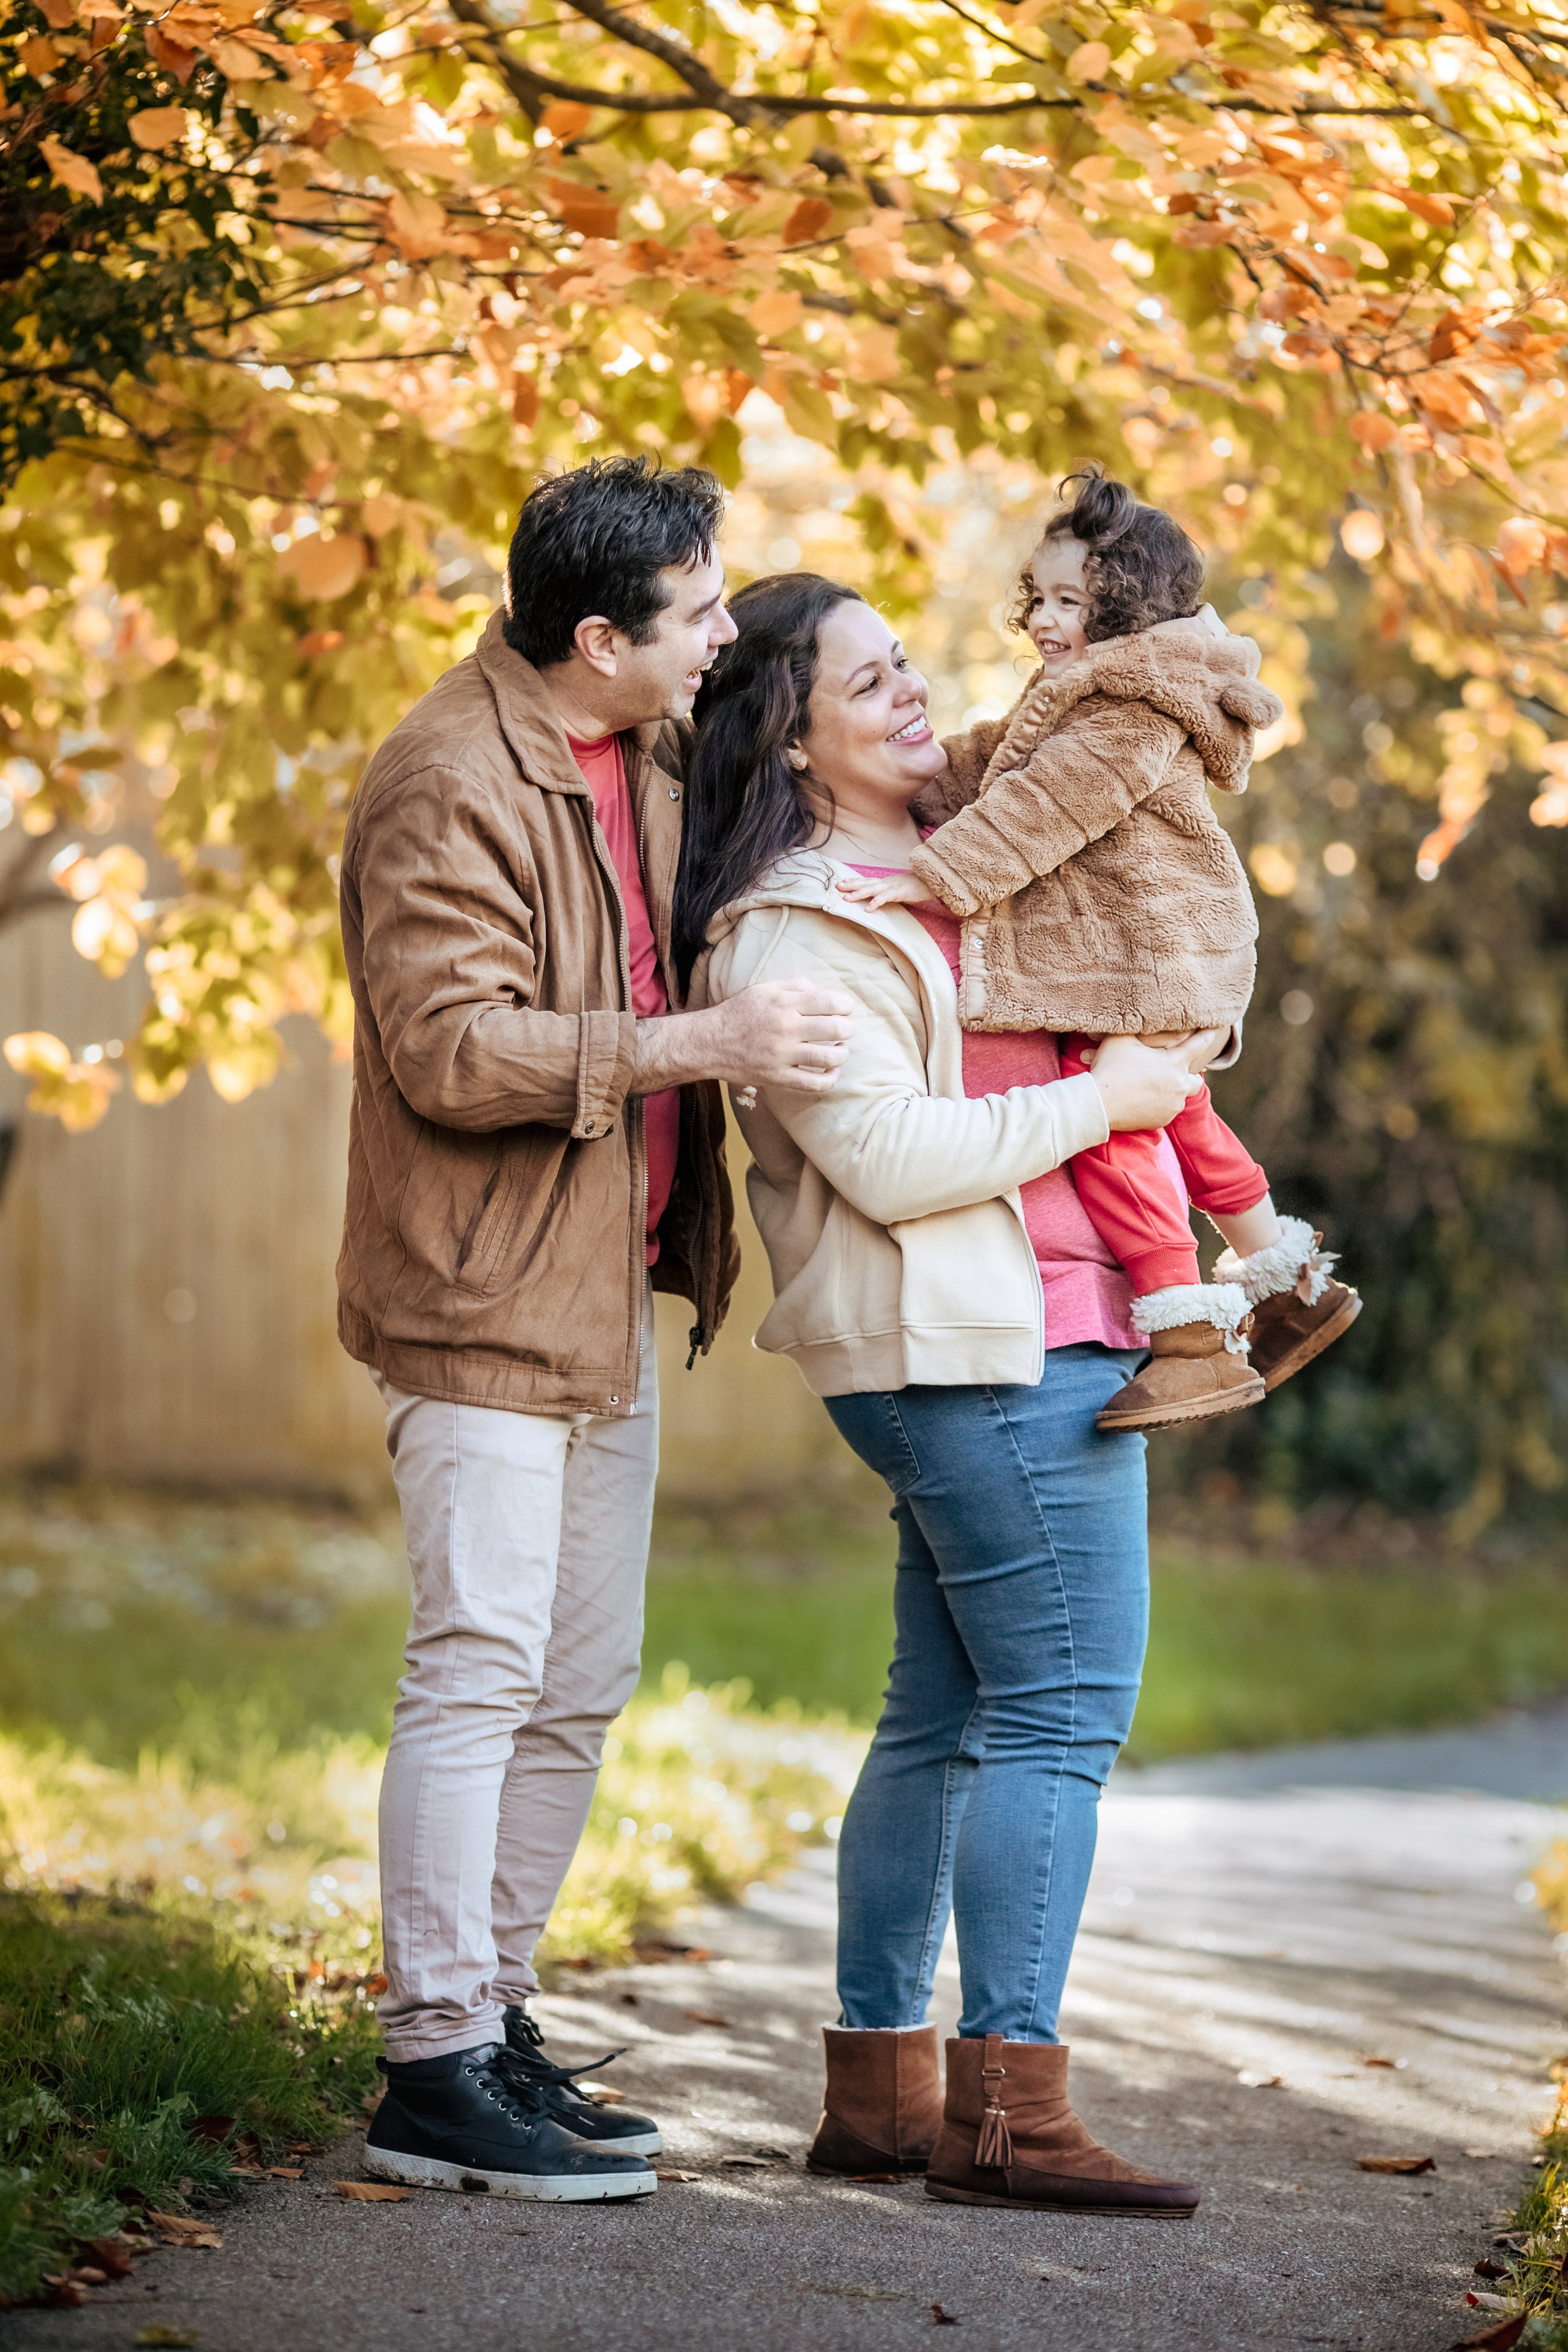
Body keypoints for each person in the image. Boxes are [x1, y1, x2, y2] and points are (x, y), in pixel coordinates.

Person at [336, 458, 856, 2202]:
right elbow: (452, 1052)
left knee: (576, 1683)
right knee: (479, 1667)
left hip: (603, 1295)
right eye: (698, 613)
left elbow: (831, 763)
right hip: (481, 1298)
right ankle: (428, 2063)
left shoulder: (636, 746)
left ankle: (491, 2018)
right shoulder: (447, 777)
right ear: (593, 639)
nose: (721, 633)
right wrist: (698, 1051)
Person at [674, 570, 1208, 2217]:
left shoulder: (954, 850)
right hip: (982, 1354)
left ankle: (885, 2099)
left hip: (1019, 1337)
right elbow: (894, 1165)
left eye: (909, 664)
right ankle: (1014, 2119)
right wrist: (1111, 1096)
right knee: (1058, 1712)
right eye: (870, 683)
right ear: (793, 736)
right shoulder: (790, 923)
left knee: (945, 1716)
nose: (914, 695)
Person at [839, 465, 1361, 1432]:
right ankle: (1293, 1281)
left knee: (1111, 1121)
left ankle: (1189, 1343)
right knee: (1184, 1114)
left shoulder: (1130, 706)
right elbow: (997, 763)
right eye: (1039, 595)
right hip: (1163, 946)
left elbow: (1046, 804)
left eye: (1071, 600)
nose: (1043, 617)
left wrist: (931, 873)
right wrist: (896, 787)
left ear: (1128, 610)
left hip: (1159, 946)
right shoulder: (1086, 690)